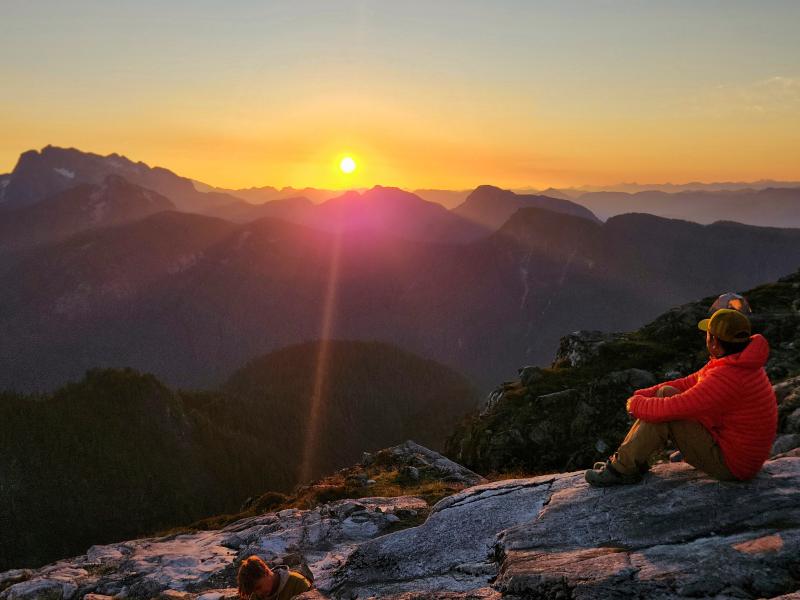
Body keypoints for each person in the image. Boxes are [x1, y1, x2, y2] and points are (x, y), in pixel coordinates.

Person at [585, 307, 777, 486]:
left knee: (665, 413)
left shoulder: (727, 377)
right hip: (736, 454)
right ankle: (630, 461)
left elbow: (671, 408)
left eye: (708, 335)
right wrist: (644, 394)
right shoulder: (738, 363)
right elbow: (688, 382)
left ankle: (621, 469)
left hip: (731, 465)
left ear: (714, 343)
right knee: (664, 393)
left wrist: (635, 404)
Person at [237, 555, 312, 600]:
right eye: (254, 591)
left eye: (259, 587)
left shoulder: (298, 585)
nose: (259, 593)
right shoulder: (255, 596)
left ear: (266, 572)